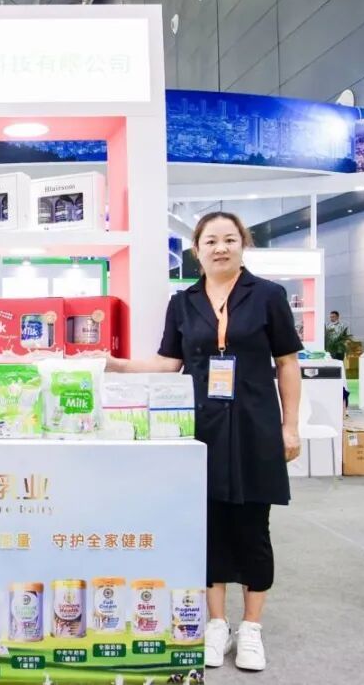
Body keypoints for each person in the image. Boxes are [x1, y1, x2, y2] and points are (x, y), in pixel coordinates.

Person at [105, 212, 302, 672]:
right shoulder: (183, 302)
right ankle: (216, 624)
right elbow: (166, 363)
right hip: (201, 428)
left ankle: (250, 628)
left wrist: (289, 426)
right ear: (197, 250)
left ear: (243, 245)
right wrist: (114, 365)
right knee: (208, 525)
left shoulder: (268, 296)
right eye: (211, 241)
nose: (220, 248)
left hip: (254, 424)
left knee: (253, 527)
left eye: (229, 239)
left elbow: (287, 363)